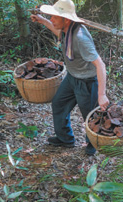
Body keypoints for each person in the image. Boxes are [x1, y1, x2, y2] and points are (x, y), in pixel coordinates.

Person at [30, 0, 109, 155]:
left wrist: (102, 94)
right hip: (72, 77)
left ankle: (92, 144)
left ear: (66, 19)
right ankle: (65, 139)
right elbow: (57, 30)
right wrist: (42, 20)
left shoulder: (80, 37)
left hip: (87, 81)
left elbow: (100, 65)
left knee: (90, 116)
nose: (52, 20)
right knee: (59, 103)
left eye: (54, 17)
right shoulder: (67, 28)